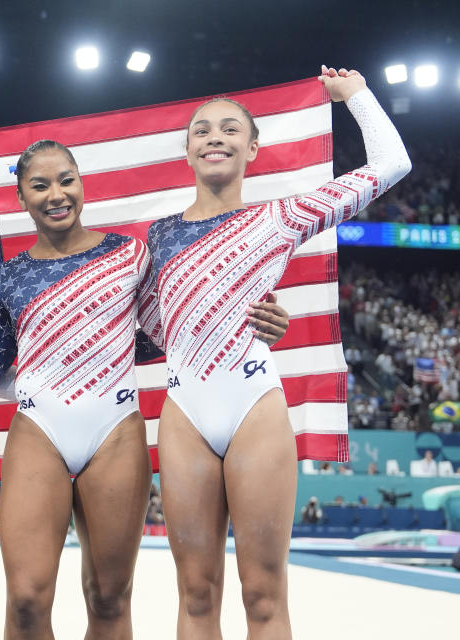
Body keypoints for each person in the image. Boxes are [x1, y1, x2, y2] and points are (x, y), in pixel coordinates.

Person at [0, 139, 290, 638]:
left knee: (109, 599)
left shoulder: (129, 255)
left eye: (66, 179)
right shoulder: (8, 278)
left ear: (82, 185)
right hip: (39, 429)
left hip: (114, 431)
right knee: (25, 600)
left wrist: (260, 321)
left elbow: (177, 324)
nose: (56, 194)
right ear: (20, 197)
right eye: (39, 185)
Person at [144, 66, 410, 638]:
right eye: (202, 130)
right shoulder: (158, 236)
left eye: (230, 129)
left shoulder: (279, 218)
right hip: (184, 410)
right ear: (186, 151)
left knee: (263, 595)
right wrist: (212, 324)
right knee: (194, 596)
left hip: (252, 408)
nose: (215, 136)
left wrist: (355, 95)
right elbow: (150, 329)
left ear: (254, 147)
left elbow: (392, 165)